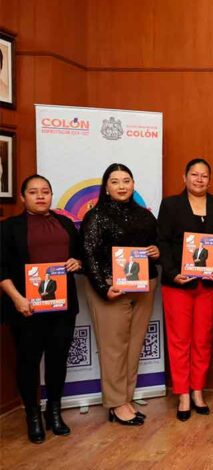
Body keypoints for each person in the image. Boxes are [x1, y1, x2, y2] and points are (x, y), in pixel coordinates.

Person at [0, 175, 81, 443]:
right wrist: (17, 299)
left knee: (58, 360)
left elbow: (79, 255)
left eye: (45, 191)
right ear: (23, 197)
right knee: (28, 361)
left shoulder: (65, 223)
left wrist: (76, 262)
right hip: (26, 307)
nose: (40, 196)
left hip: (62, 307)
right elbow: (1, 268)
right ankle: (32, 415)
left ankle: (54, 412)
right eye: (33, 192)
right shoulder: (9, 227)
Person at [81, 163, 159, 426]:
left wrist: (156, 251)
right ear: (106, 187)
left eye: (126, 180)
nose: (122, 186)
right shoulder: (96, 216)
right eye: (115, 181)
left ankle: (126, 398)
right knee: (114, 348)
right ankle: (116, 404)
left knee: (134, 346)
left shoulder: (145, 216)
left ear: (133, 184)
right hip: (111, 287)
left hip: (144, 287)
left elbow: (157, 245)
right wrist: (104, 288)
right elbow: (88, 255)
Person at [157, 158, 213, 421]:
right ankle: (183, 394)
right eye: (194, 175)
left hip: (208, 285)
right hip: (178, 285)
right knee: (179, 341)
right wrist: (173, 273)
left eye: (204, 175)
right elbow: (162, 242)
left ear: (210, 179)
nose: (199, 180)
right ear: (184, 177)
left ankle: (198, 390)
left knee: (202, 340)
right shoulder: (171, 205)